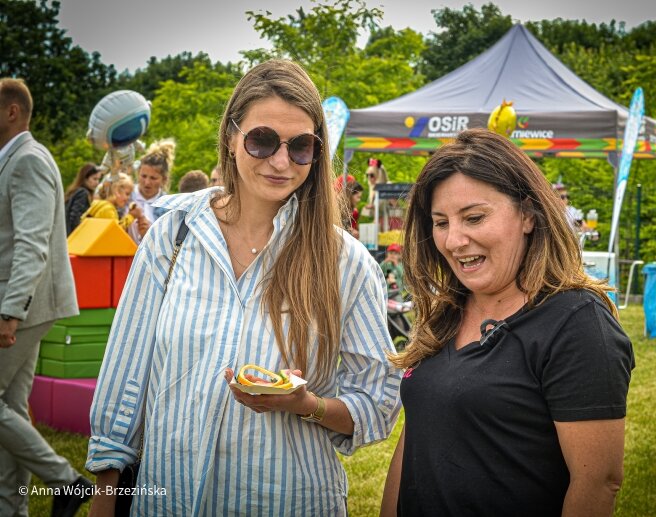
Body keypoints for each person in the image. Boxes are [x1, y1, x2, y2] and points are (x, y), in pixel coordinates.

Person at [86, 59, 402, 516]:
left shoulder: (344, 263)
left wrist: (306, 404)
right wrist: (104, 497)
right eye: (262, 140)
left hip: (288, 501)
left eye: (300, 147)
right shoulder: (173, 236)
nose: (280, 161)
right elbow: (125, 380)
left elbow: (375, 404)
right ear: (232, 137)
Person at [381, 129, 634, 516]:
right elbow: (417, 435)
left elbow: (598, 483)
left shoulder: (576, 323)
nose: (453, 240)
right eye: (441, 222)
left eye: (474, 217)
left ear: (529, 214)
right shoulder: (448, 311)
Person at [0, 77, 93, 516]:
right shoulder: (14, 160)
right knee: (10, 409)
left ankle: (65, 479)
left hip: (24, 305)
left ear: (12, 112)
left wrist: (9, 311)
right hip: (22, 304)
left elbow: (33, 244)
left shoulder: (28, 161)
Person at [127, 138, 176, 243]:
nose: (147, 182)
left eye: (153, 178)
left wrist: (151, 235)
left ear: (164, 180)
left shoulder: (168, 206)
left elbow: (170, 242)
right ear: (138, 173)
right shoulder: (125, 196)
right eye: (143, 176)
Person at [64, 162, 103, 235]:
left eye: (98, 179)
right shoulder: (83, 193)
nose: (97, 183)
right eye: (94, 179)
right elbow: (75, 218)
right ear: (85, 178)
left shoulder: (74, 191)